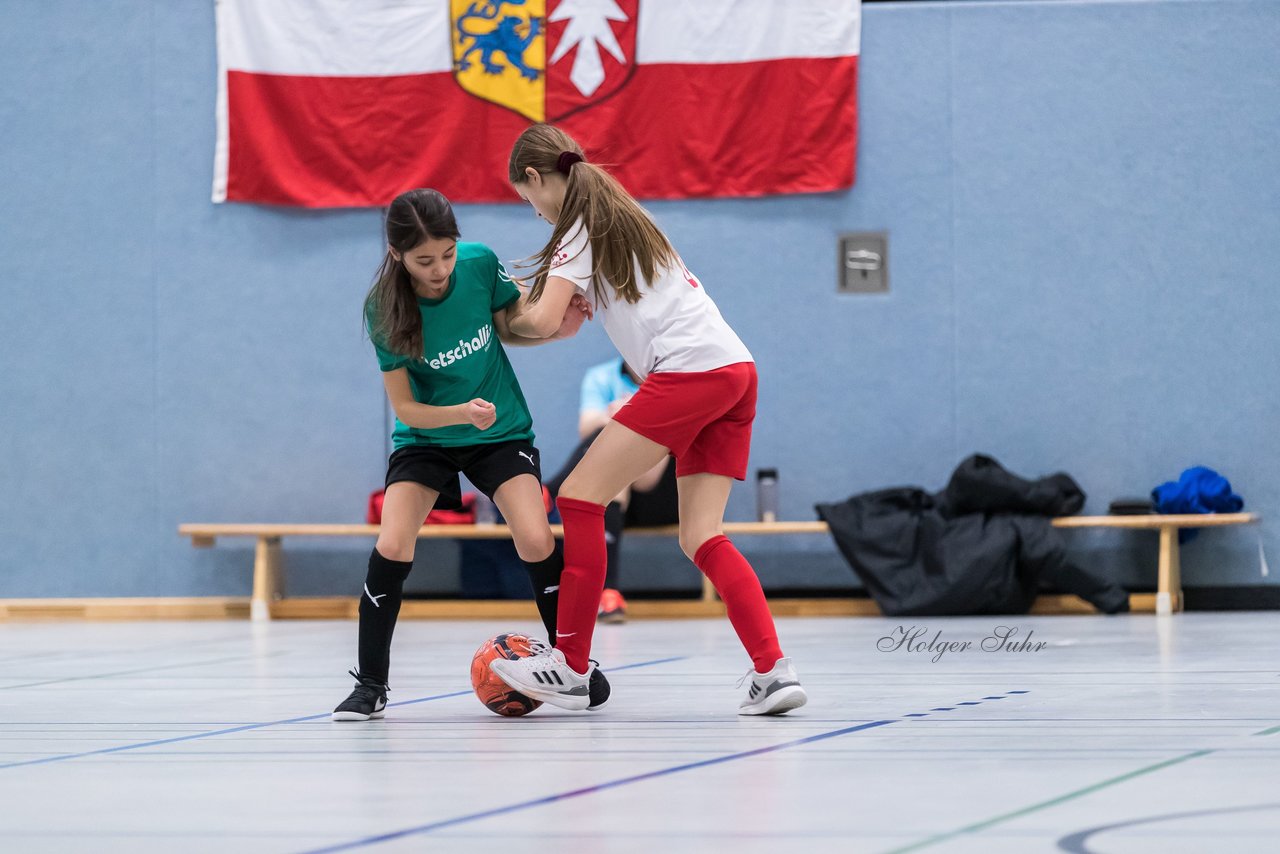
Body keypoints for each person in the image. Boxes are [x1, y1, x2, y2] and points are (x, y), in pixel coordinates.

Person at [490, 125, 807, 716]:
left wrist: (487, 321)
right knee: (701, 534)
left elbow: (537, 323)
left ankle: (572, 665)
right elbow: (575, 314)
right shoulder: (623, 213)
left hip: (690, 371)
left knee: (581, 496)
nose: (531, 211)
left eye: (525, 196)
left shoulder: (575, 229)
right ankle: (774, 671)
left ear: (536, 178)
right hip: (736, 370)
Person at [331, 188, 607, 721]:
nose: (439, 270)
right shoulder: (384, 309)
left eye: (447, 254)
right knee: (392, 544)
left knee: (534, 536)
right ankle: (369, 685)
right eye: (424, 261)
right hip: (429, 437)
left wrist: (558, 328)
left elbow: (508, 329)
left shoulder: (480, 264)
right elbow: (407, 409)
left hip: (500, 431)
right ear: (397, 255)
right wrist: (460, 413)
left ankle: (573, 667)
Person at [546, 357, 679, 623]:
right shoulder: (602, 375)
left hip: (660, 496)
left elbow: (647, 480)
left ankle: (550, 490)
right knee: (606, 453)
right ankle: (610, 594)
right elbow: (586, 426)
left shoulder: (672, 379)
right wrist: (622, 416)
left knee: (612, 445)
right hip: (616, 495)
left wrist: (630, 416)